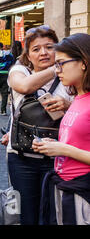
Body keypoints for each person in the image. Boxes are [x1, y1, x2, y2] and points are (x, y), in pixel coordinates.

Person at [0, 26, 73, 225]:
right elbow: (24, 87)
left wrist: (67, 105)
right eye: (36, 49)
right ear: (28, 55)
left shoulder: (70, 77)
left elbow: (83, 108)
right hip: (21, 159)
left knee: (54, 215)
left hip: (58, 158)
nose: (43, 53)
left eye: (49, 47)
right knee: (27, 216)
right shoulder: (19, 71)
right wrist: (58, 66)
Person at [32, 33, 90, 225]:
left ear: (83, 62)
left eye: (61, 63)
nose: (57, 70)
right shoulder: (76, 99)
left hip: (82, 192)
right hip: (65, 186)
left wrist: (62, 149)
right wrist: (55, 145)